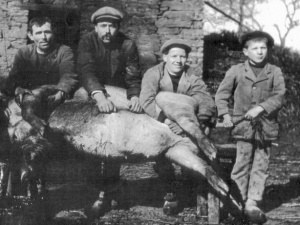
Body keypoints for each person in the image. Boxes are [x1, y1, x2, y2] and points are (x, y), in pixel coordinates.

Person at [215, 31, 285, 223]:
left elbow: (279, 96)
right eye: (255, 48)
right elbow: (221, 95)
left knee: (261, 166)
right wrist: (225, 114)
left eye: (263, 48)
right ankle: (237, 202)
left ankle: (252, 203)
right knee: (241, 164)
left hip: (266, 128)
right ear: (245, 51)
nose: (260, 52)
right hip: (243, 128)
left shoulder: (274, 71)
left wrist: (261, 108)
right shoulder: (236, 71)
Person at [140, 39, 216, 135]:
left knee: (205, 130)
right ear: (165, 57)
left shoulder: (192, 75)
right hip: (161, 119)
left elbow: (205, 101)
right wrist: (168, 122)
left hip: (186, 119)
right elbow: (147, 101)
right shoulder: (153, 73)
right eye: (174, 56)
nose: (178, 61)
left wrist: (188, 124)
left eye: (182, 57)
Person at [77, 6, 142, 114]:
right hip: (93, 88)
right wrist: (101, 98)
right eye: (103, 26)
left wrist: (135, 96)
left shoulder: (127, 44)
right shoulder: (87, 41)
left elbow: (133, 75)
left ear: (118, 27)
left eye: (112, 26)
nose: (107, 31)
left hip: (117, 89)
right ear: (96, 27)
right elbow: (86, 71)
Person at [4, 16, 78, 107]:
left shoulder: (64, 51)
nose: (43, 37)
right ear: (31, 36)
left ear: (53, 33)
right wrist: (17, 88)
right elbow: (14, 76)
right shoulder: (24, 52)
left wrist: (62, 91)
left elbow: (68, 74)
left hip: (55, 91)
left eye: (47, 32)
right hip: (32, 93)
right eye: (38, 33)